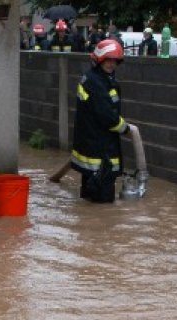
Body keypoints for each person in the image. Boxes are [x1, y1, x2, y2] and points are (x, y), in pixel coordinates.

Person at [70, 39, 129, 203]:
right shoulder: (96, 82)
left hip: (92, 146)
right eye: (108, 60)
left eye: (115, 61)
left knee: (89, 200)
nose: (112, 64)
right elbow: (107, 117)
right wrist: (125, 128)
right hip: (101, 152)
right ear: (99, 60)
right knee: (103, 204)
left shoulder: (96, 78)